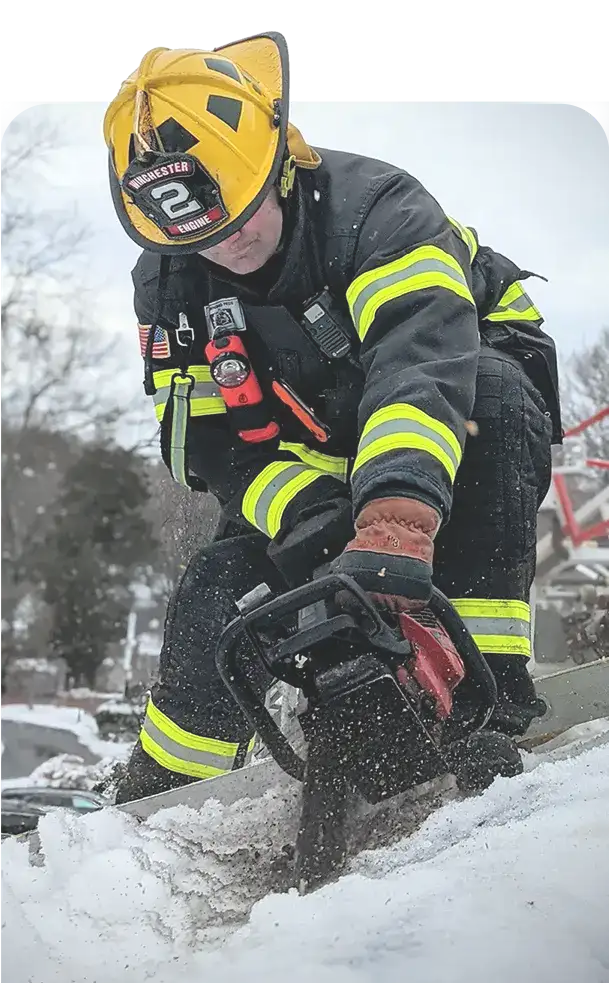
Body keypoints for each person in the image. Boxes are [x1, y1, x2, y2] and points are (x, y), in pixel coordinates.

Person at [102, 34, 562, 804]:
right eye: (201, 237)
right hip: (313, 441)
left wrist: (393, 524)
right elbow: (209, 442)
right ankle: (162, 789)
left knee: (491, 403)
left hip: (463, 389)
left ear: (281, 162)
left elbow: (421, 372)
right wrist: (310, 520)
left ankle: (489, 698)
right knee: (223, 584)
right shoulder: (168, 282)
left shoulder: (380, 211)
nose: (230, 241)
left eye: (243, 212)